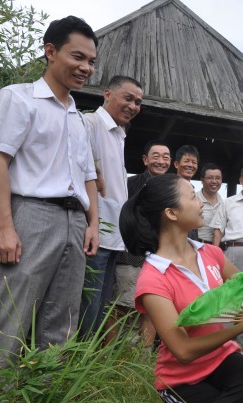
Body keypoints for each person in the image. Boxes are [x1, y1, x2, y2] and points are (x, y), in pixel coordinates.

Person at [119, 173, 243, 403]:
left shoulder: (211, 254)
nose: (200, 202)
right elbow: (182, 351)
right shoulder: (153, 279)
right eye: (193, 196)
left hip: (221, 359)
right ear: (171, 213)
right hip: (181, 380)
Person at [0, 16, 99, 361]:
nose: (86, 68)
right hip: (32, 216)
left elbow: (88, 176)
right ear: (50, 52)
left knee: (61, 322)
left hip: (75, 223)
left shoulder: (78, 117)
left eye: (91, 62)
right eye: (77, 57)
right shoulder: (18, 99)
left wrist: (92, 223)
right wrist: (4, 227)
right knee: (12, 318)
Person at [78, 75, 143, 338]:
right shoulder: (90, 122)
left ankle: (85, 367)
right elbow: (78, 163)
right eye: (128, 98)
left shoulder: (119, 134)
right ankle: (74, 364)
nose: (133, 106)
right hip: (96, 232)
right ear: (107, 94)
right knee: (87, 305)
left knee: (101, 304)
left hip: (113, 235)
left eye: (138, 102)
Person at [111, 140, 171, 346]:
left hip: (160, 258)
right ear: (145, 160)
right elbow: (122, 216)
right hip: (131, 255)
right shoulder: (131, 184)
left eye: (166, 157)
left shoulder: (173, 187)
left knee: (152, 309)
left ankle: (143, 359)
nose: (161, 161)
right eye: (156, 156)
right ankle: (111, 357)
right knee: (121, 306)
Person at [211, 163, 243, 272]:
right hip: (232, 250)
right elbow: (218, 231)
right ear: (240, 180)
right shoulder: (227, 203)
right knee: (231, 285)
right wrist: (214, 257)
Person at [196, 163, 226, 244]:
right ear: (202, 180)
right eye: (210, 178)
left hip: (218, 247)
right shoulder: (193, 199)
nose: (214, 181)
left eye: (218, 178)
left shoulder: (225, 203)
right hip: (197, 245)